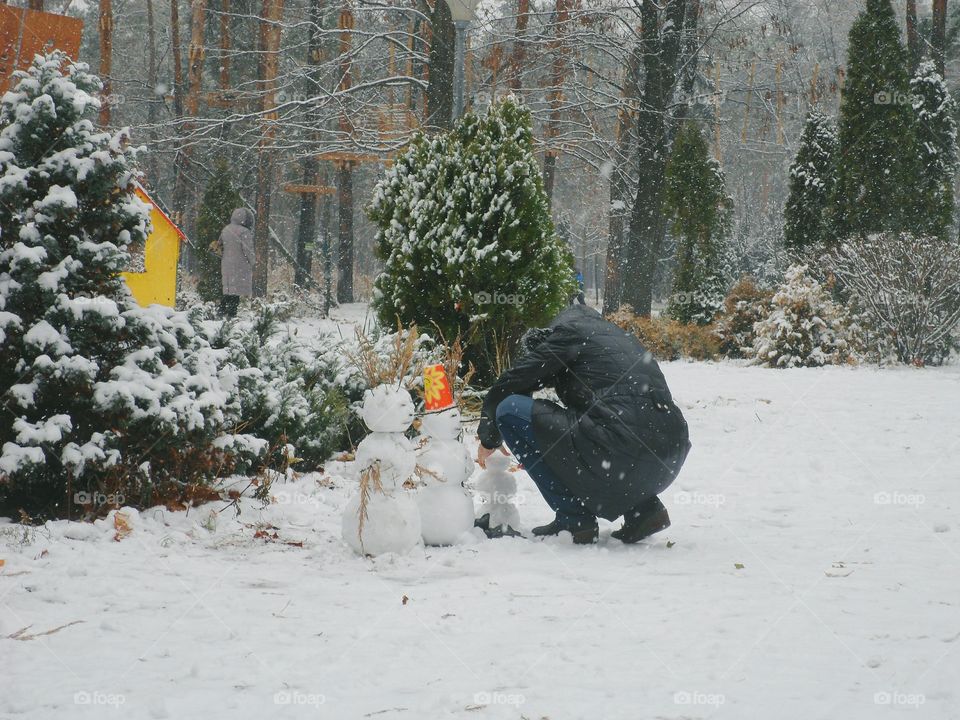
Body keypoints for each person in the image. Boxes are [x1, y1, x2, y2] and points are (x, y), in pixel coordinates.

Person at [477, 304, 691, 544]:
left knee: (509, 410)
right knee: (621, 428)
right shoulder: (617, 337)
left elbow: (513, 382)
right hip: (669, 457)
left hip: (620, 449)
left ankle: (574, 519)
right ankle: (645, 511)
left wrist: (489, 435)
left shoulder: (567, 334)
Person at [218, 208, 255, 318]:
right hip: (240, 264)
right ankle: (231, 313)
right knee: (236, 290)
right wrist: (253, 262)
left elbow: (220, 243)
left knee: (228, 288)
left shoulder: (225, 230)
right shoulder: (245, 232)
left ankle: (221, 310)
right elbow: (248, 250)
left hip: (226, 262)